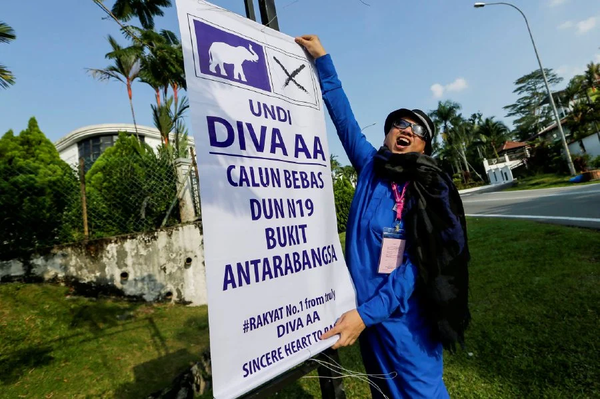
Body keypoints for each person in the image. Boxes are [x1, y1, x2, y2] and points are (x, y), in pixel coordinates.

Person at [295, 35, 470, 398]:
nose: (407, 130)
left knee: (422, 391)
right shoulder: (370, 167)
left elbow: (419, 266)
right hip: (367, 316)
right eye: (400, 124)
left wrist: (367, 314)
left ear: (424, 146)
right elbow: (345, 120)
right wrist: (323, 62)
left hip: (405, 318)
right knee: (384, 392)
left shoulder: (429, 187)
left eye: (417, 129)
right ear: (389, 133)